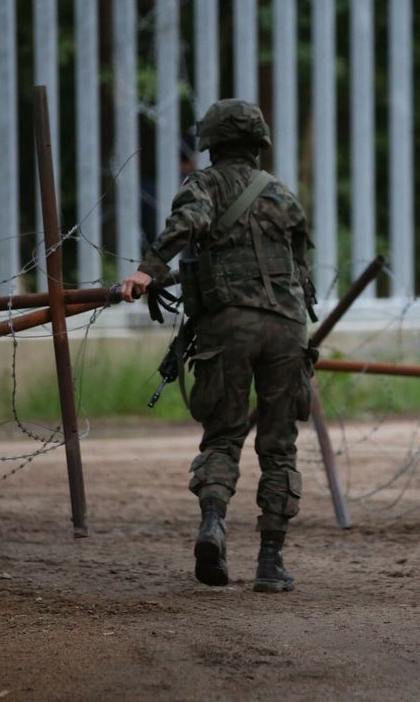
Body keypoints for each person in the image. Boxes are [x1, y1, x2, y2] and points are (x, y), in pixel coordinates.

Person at [120, 99, 316, 593]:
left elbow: (188, 223)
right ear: (258, 144)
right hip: (287, 330)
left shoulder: (202, 185)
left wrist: (148, 269)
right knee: (279, 444)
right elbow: (301, 269)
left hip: (229, 327)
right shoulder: (283, 195)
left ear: (210, 143)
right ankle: (271, 562)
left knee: (224, 435)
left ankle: (213, 524)